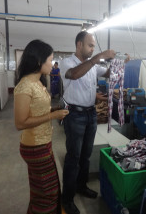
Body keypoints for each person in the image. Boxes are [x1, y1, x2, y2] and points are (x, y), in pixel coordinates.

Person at [60, 31, 118, 214]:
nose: (93, 49)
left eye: (94, 46)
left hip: (90, 114)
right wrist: (98, 57)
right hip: (75, 116)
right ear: (79, 45)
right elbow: (74, 75)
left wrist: (120, 64)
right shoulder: (67, 63)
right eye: (90, 45)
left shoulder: (93, 66)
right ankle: (67, 199)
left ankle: (81, 186)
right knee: (73, 158)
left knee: (85, 155)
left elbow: (108, 73)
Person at [14, 39, 69, 214]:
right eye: (50, 60)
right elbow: (20, 122)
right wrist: (52, 116)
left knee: (42, 190)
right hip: (35, 147)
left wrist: (53, 109)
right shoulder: (25, 86)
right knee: (48, 193)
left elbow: (36, 110)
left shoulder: (39, 82)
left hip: (43, 143)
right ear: (39, 61)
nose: (52, 64)